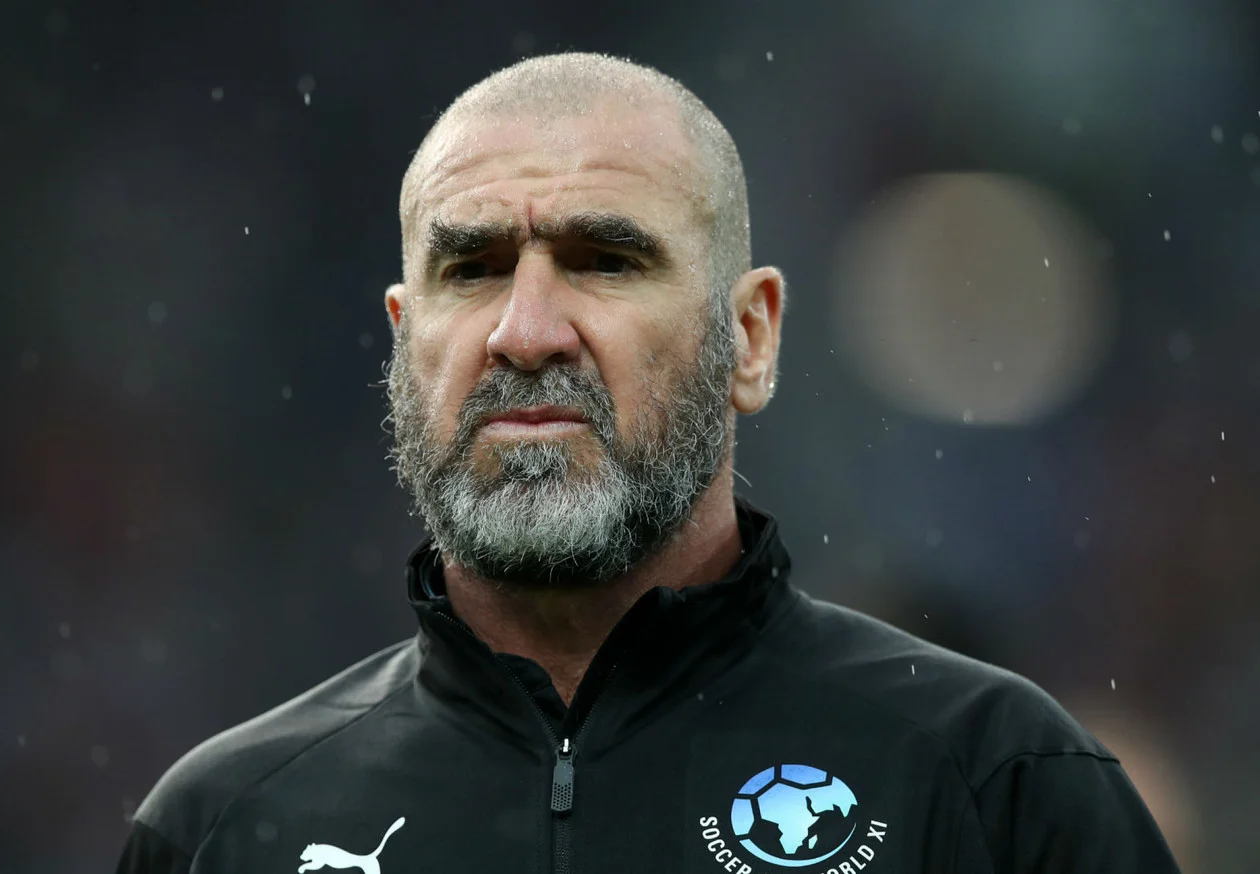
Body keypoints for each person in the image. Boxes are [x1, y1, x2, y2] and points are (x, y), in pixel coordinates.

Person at [116, 52, 1181, 873]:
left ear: (749, 338)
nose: (526, 332)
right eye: (472, 268)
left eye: (605, 261)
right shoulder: (224, 827)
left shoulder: (998, 785)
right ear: (404, 340)